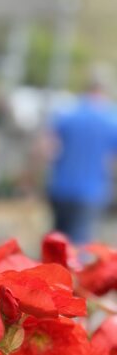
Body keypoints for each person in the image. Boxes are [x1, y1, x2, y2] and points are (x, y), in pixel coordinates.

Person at [46, 67, 117, 244]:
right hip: (89, 192)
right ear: (104, 89)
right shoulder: (111, 119)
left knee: (56, 244)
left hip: (60, 188)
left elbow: (47, 146)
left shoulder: (69, 113)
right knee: (78, 249)